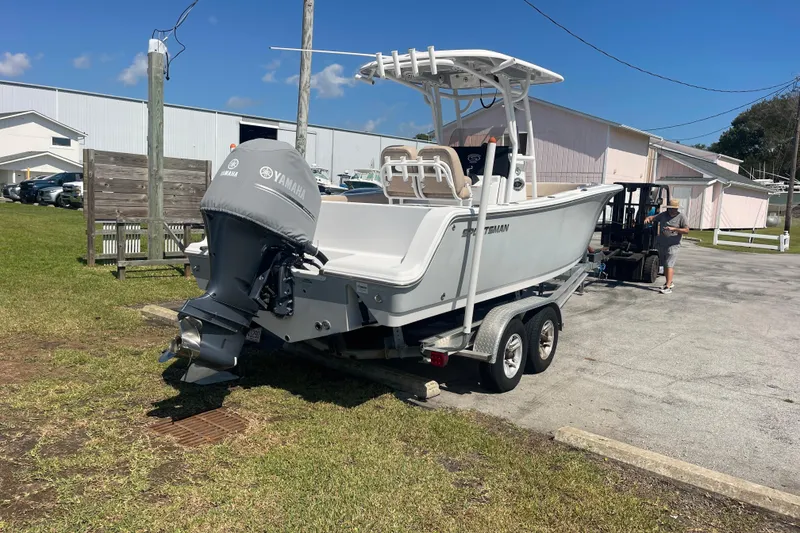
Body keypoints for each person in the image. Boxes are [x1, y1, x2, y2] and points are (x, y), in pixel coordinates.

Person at [644, 199, 689, 294]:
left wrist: (674, 229)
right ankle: (669, 282)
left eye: (674, 209)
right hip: (662, 243)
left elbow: (686, 230)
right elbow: (653, 217)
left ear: (677, 209)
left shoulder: (681, 217)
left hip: (673, 244)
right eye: (670, 208)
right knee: (664, 264)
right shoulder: (664, 215)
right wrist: (648, 218)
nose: (672, 210)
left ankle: (668, 286)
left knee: (669, 264)